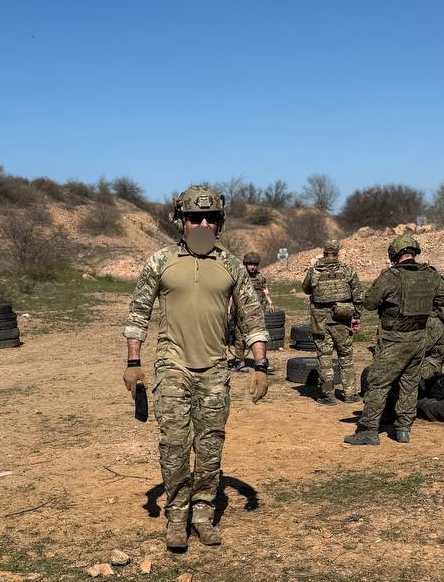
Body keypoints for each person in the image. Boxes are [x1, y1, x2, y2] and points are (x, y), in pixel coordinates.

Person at [123, 186, 269, 551]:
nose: (202, 224)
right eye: (193, 218)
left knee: (209, 448)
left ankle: (202, 515)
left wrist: (261, 364)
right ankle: (177, 517)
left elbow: (252, 316)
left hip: (215, 370)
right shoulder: (160, 261)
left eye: (210, 218)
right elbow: (139, 312)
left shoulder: (232, 265)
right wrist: (133, 362)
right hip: (173, 367)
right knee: (174, 446)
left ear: (219, 223)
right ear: (181, 221)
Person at [345, 232, 444, 445]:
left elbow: (369, 302)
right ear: (414, 253)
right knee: (409, 383)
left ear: (395, 256)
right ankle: (403, 429)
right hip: (418, 338)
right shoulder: (430, 275)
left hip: (395, 339)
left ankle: (369, 430)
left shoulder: (391, 277)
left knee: (377, 382)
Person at [301, 238, 363, 405]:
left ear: (324, 252)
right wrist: (357, 316)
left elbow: (306, 289)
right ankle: (350, 394)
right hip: (343, 321)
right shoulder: (348, 270)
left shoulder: (314, 271)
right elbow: (358, 295)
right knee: (346, 358)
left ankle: (329, 395)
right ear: (338, 253)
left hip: (321, 322)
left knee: (325, 359)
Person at [228, 252, 272, 370]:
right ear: (245, 264)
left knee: (260, 336)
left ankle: (261, 361)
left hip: (256, 314)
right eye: (250, 264)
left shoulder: (260, 277)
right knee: (240, 337)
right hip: (240, 313)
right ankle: (239, 361)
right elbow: (232, 294)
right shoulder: (240, 277)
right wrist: (230, 310)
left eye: (255, 264)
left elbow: (264, 290)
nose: (252, 267)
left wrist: (270, 302)